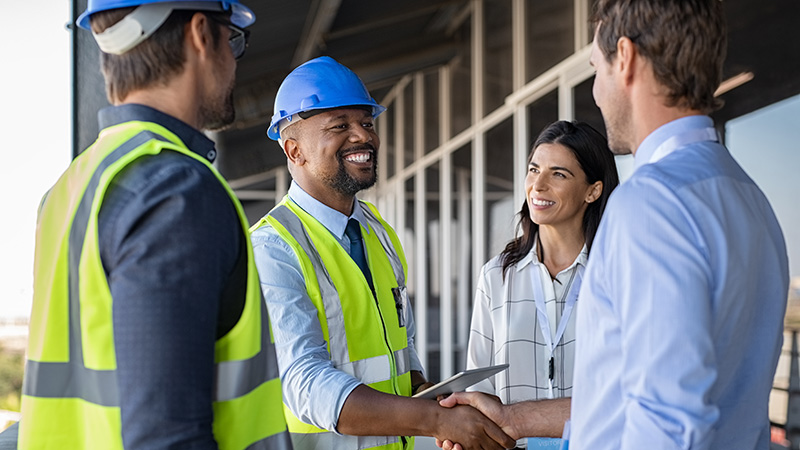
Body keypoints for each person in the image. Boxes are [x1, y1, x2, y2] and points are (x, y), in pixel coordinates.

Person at [17, 1, 291, 449]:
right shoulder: (176, 192)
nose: (232, 61)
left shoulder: (72, 186)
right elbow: (167, 439)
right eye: (232, 39)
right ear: (201, 32)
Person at [250, 56, 515, 450]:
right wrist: (436, 421)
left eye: (367, 123)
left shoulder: (376, 231)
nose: (363, 136)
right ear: (294, 150)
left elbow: (398, 354)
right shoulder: (273, 248)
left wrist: (443, 399)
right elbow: (305, 383)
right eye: (340, 125)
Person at [568, 0, 789, 448]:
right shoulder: (752, 199)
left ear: (625, 59)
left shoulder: (649, 203)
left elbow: (667, 428)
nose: (594, 90)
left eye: (596, 68)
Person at [464, 120, 618, 449]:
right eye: (534, 170)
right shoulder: (496, 276)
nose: (538, 185)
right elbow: (480, 384)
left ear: (593, 190)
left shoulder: (618, 274)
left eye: (558, 174)